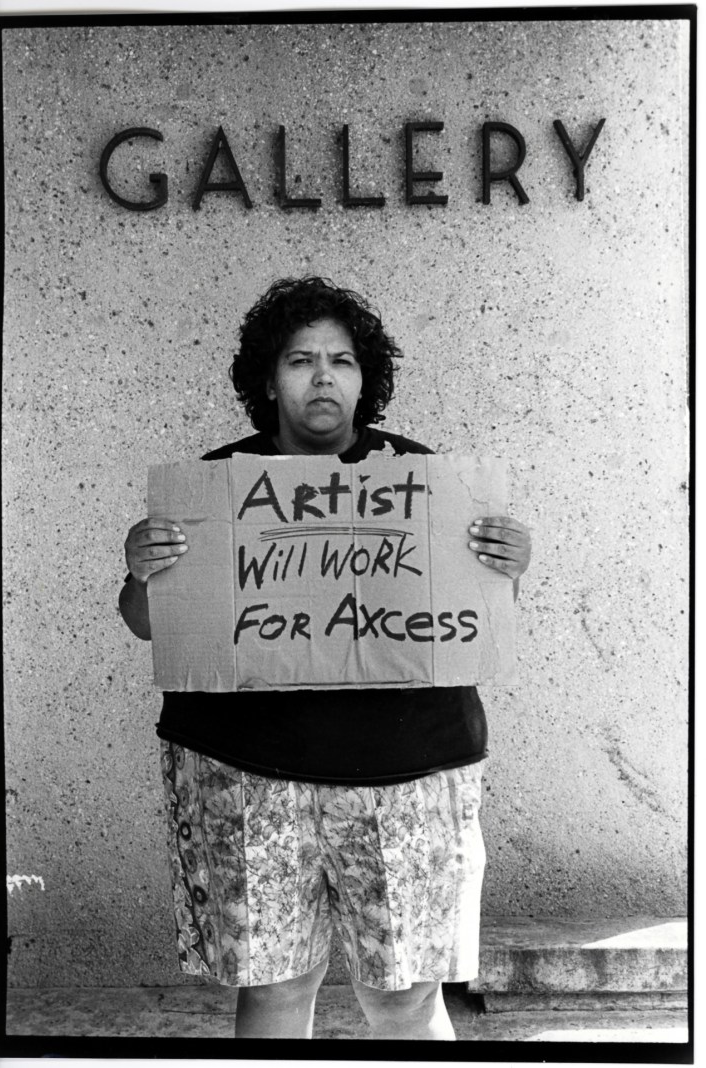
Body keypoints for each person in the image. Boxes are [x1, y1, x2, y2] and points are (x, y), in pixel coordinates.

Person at [119, 277, 531, 1040]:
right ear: (267, 380)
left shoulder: (425, 481)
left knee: (406, 998)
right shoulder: (215, 487)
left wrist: (506, 564)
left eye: (341, 360)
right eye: (300, 359)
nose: (322, 377)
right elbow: (150, 625)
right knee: (274, 991)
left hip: (407, 777)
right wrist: (144, 570)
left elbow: (472, 621)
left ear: (363, 377)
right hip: (248, 780)